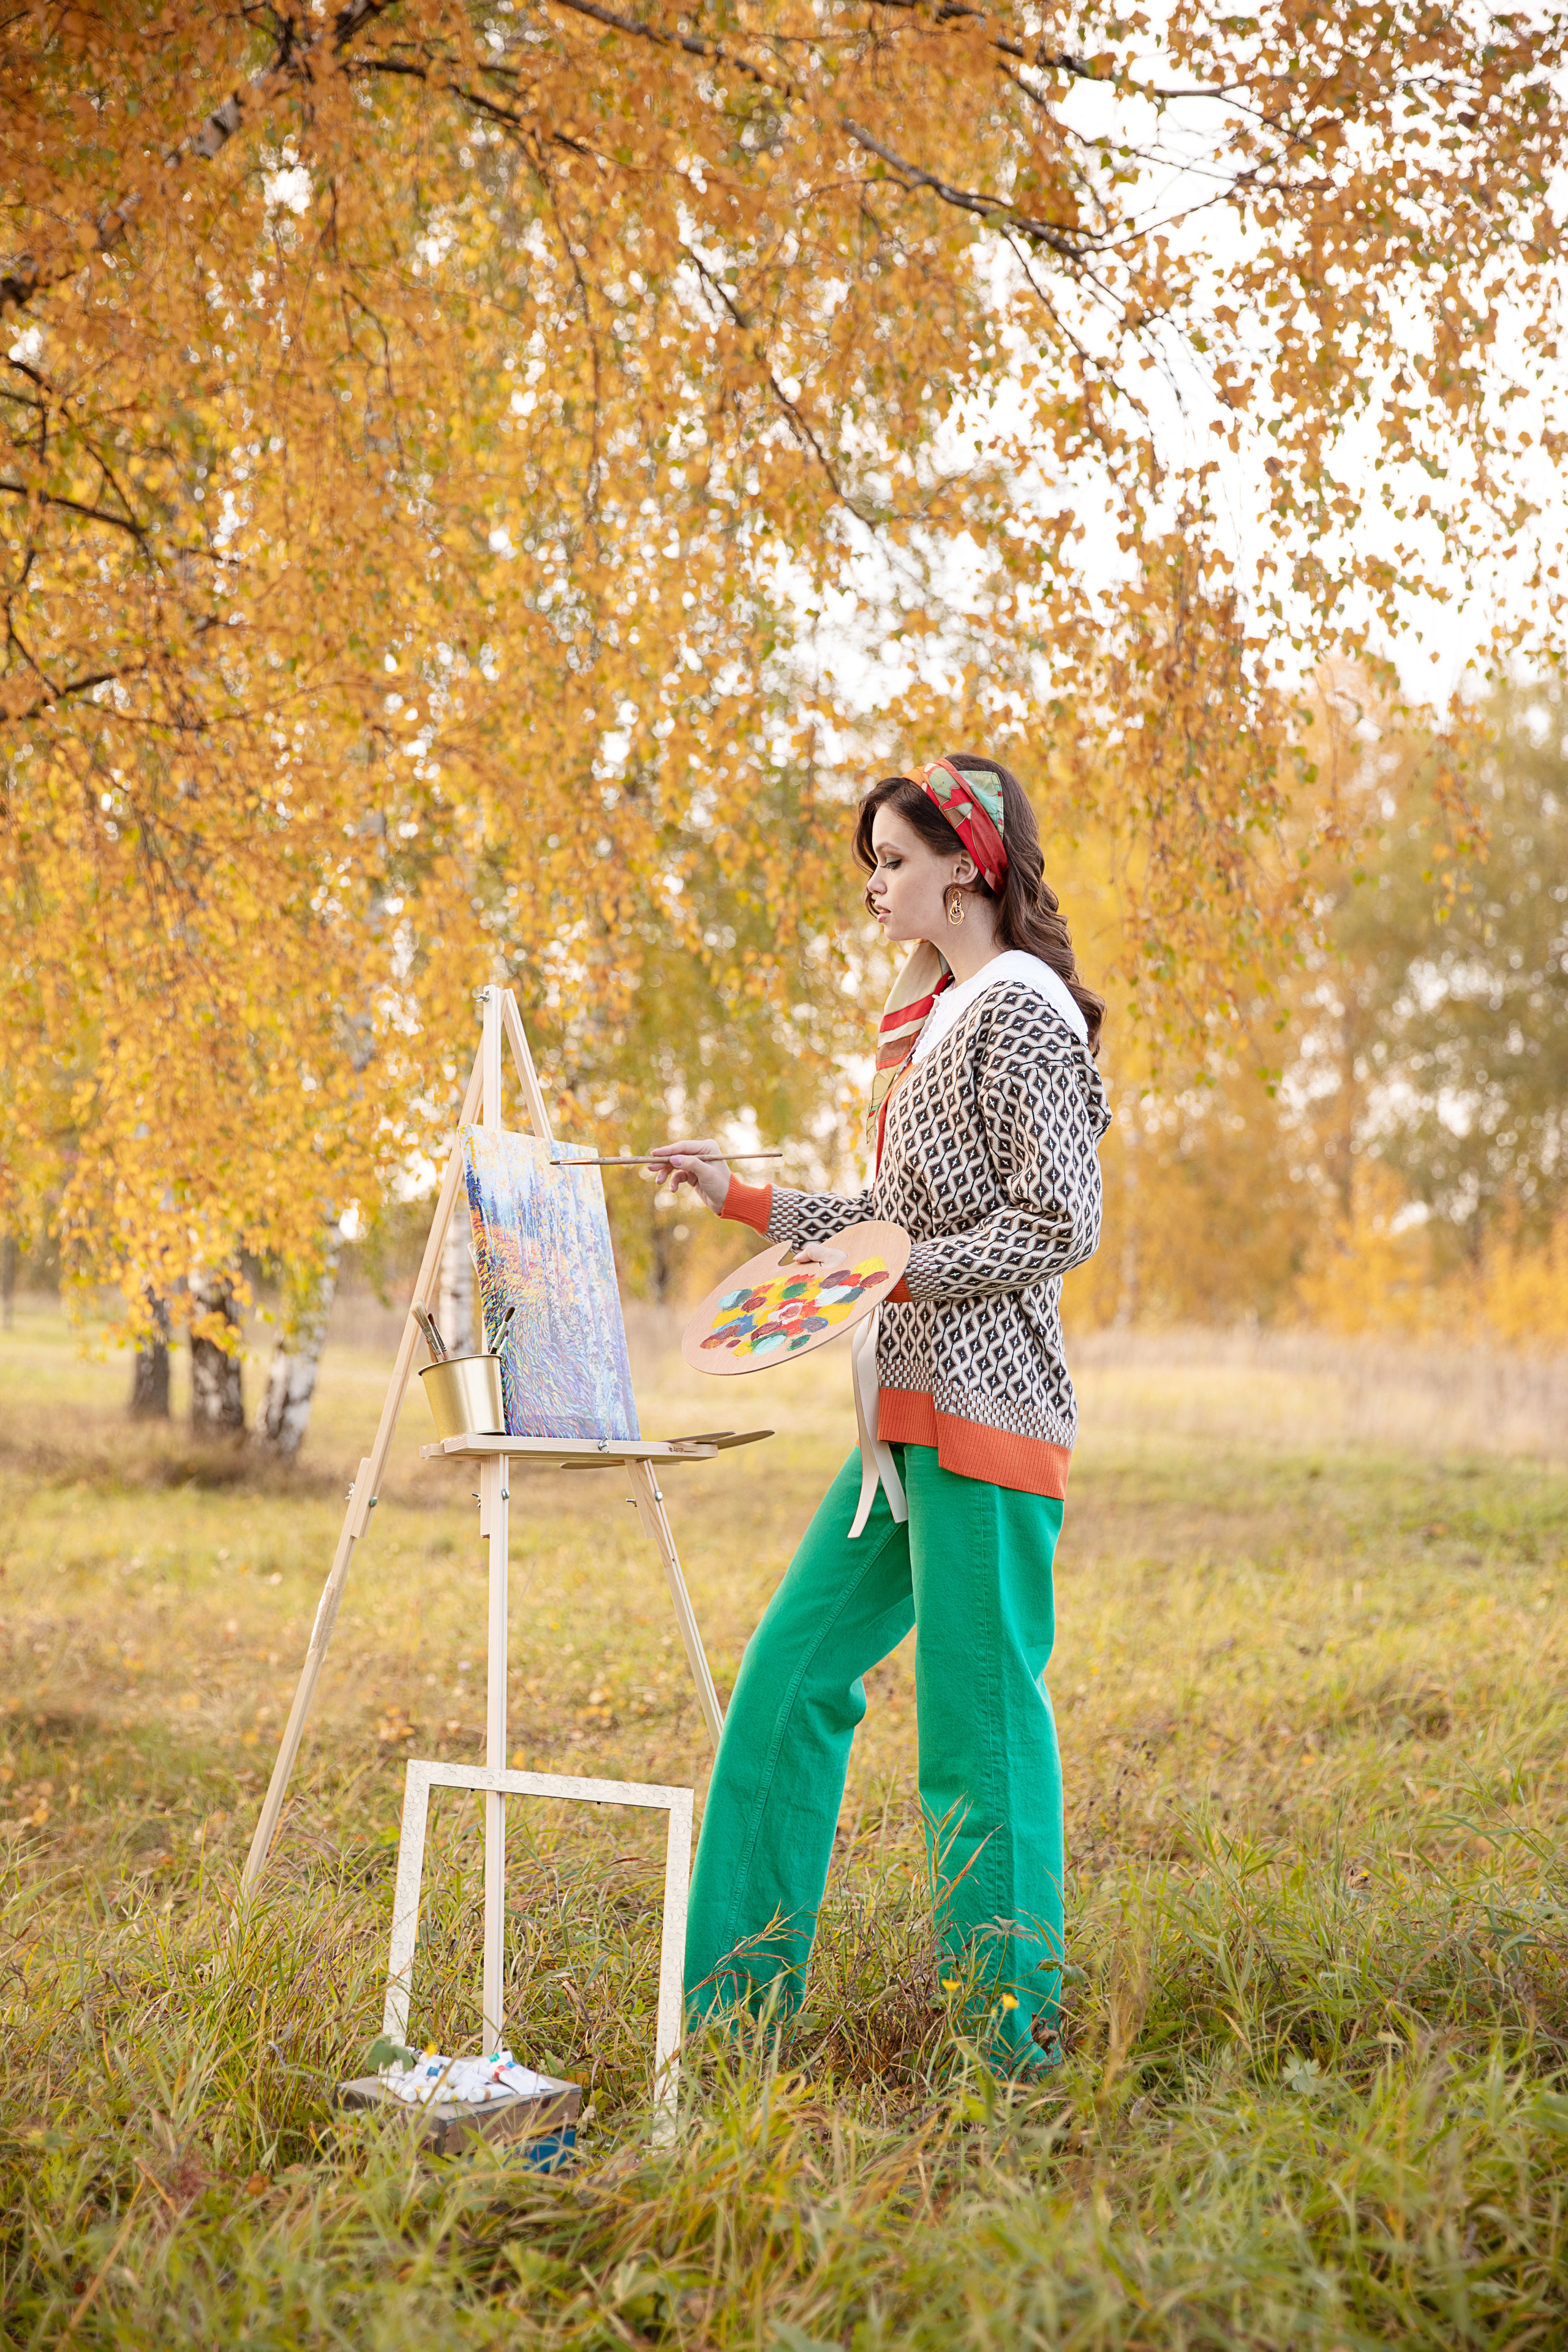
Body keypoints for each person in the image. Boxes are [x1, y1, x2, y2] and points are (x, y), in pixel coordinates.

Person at [652, 753, 1110, 2073]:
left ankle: (1007, 2058)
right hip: (895, 1428)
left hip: (986, 1413)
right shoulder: (945, 1020)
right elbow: (882, 1224)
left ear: (965, 864)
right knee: (786, 1685)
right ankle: (732, 2031)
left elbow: (1058, 1222)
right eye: (871, 864)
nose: (875, 884)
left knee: (977, 1736)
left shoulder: (1017, 1009)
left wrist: (901, 1268)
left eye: (895, 860)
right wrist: (740, 1197)